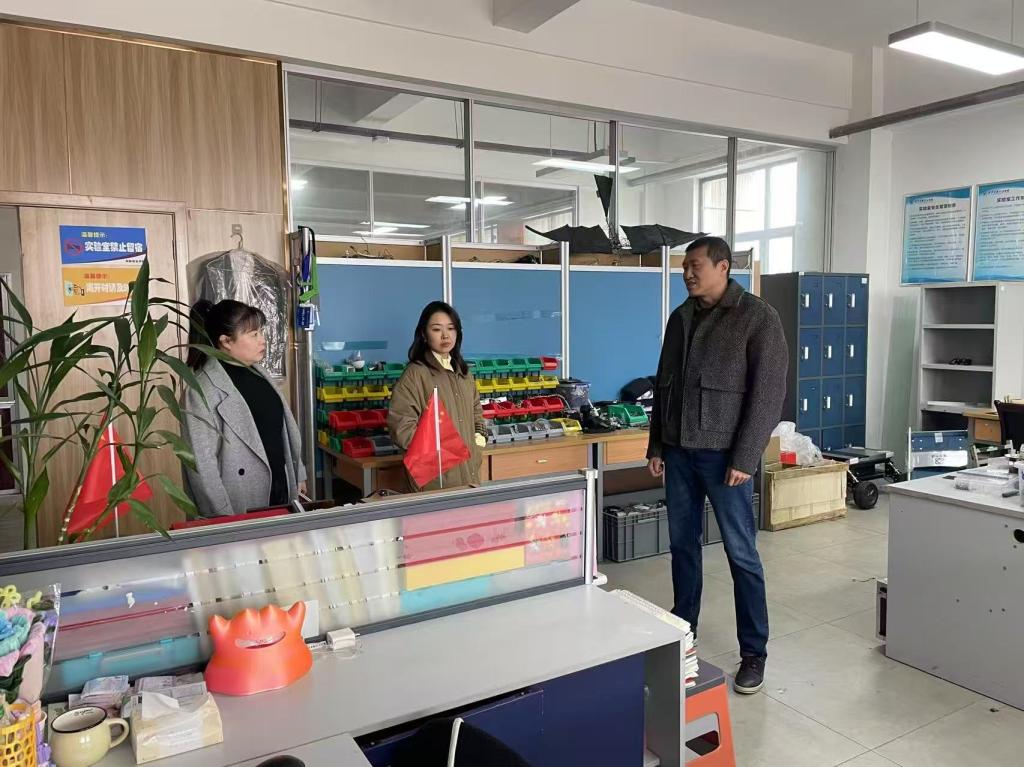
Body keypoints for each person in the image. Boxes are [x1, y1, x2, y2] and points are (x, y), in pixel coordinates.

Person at [647, 236, 787, 695]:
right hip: (679, 453)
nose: (687, 273)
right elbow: (664, 385)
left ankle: (754, 652)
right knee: (682, 547)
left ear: (723, 267)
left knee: (741, 553)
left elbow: (768, 395)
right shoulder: (681, 317)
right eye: (684, 267)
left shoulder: (757, 317)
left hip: (726, 458)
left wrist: (746, 457)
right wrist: (657, 444)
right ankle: (683, 634)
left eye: (696, 266)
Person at [182, 299, 306, 517]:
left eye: (261, 332)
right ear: (226, 341)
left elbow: (281, 433)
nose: (263, 340)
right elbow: (201, 466)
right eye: (254, 334)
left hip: (280, 489)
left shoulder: (259, 373)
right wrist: (223, 518)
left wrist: (298, 475)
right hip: (238, 502)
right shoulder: (201, 389)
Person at [388, 301, 487, 491]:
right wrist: (437, 453)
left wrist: (478, 439)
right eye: (436, 329)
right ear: (424, 334)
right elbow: (401, 426)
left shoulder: (464, 373)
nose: (445, 335)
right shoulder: (416, 374)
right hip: (434, 478)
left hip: (469, 471)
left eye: (451, 328)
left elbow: (476, 412)